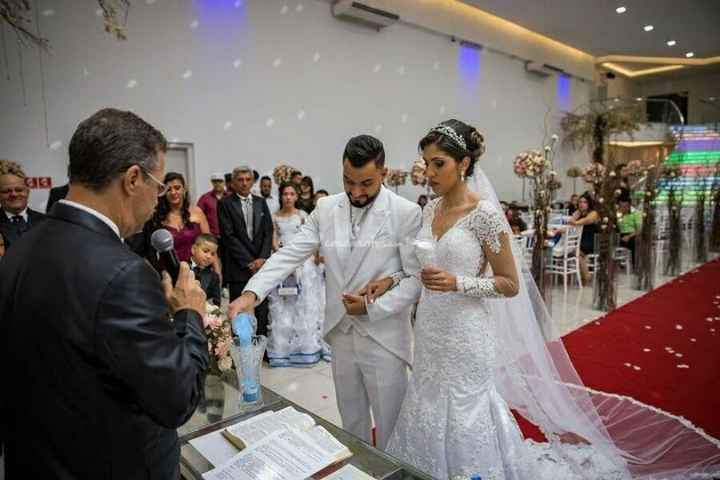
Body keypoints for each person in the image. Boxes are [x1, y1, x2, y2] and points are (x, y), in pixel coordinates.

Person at [369, 120, 631, 479]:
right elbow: (422, 270)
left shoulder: (485, 217)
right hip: (430, 327)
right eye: (426, 162)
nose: (428, 172)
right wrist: (392, 278)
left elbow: (510, 284)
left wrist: (459, 283)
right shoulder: (430, 210)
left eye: (438, 163)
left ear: (463, 164)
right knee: (425, 399)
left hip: (466, 332)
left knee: (465, 408)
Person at [0, 108, 209, 479]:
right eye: (158, 187)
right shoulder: (123, 272)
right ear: (132, 179)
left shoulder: (21, 248)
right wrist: (189, 314)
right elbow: (177, 399)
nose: (157, 200)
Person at [229, 135, 422, 449]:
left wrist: (374, 307)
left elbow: (415, 279)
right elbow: (290, 253)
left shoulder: (406, 212)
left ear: (384, 174)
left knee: (391, 427)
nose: (356, 192)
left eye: (366, 183)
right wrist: (252, 294)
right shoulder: (326, 207)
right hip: (341, 334)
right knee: (352, 423)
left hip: (384, 336)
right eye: (348, 181)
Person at [266, 182, 325, 366]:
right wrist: (281, 254)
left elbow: (311, 239)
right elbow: (274, 239)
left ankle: (305, 348)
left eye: (292, 194)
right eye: (285, 194)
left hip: (303, 263)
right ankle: (283, 349)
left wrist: (309, 258)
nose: (289, 197)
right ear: (281, 196)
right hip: (283, 261)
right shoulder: (274, 217)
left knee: (303, 304)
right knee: (283, 305)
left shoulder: (302, 216)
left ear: (296, 196)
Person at [218, 165, 274, 337]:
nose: (244, 183)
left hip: (260, 265)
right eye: (240, 180)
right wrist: (249, 262)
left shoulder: (261, 202)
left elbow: (268, 231)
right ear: (233, 182)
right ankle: (242, 349)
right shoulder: (225, 203)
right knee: (240, 311)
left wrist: (262, 258)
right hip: (238, 266)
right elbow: (228, 236)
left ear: (252, 181)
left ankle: (263, 349)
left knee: (262, 308)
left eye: (247, 179)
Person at [152, 172, 211, 263]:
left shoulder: (197, 212)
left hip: (197, 270)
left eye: (177, 188)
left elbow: (210, 245)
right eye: (168, 189)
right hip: (169, 272)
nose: (173, 192)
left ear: (184, 189)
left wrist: (217, 272)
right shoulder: (158, 216)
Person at [0, 160, 46, 251]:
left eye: (19, 190)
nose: (14, 194)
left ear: (27, 191)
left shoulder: (46, 222)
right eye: (6, 191)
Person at [568, 192, 599, 284]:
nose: (582, 204)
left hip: (593, 241)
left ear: (589, 203)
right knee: (571, 250)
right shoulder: (578, 213)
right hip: (581, 241)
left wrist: (575, 222)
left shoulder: (594, 213)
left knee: (576, 251)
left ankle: (586, 275)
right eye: (580, 202)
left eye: (585, 202)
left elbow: (588, 220)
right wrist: (575, 215)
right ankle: (584, 275)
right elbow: (570, 222)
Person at [191, 233, 222, 306]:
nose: (209, 256)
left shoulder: (213, 277)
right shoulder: (182, 267)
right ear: (193, 249)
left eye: (212, 254)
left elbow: (216, 302)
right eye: (205, 251)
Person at [197, 173, 230, 237]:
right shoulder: (205, 198)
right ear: (212, 183)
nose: (217, 184)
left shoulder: (231, 197)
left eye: (220, 181)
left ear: (224, 182)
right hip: (212, 237)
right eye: (215, 181)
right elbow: (198, 217)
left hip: (229, 237)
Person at [617, 191, 642, 264]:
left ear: (629, 206)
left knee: (634, 243)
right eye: (620, 206)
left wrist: (629, 236)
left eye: (624, 207)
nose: (622, 209)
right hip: (620, 234)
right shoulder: (618, 213)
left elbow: (639, 230)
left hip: (632, 235)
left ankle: (635, 264)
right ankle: (618, 263)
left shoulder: (636, 213)